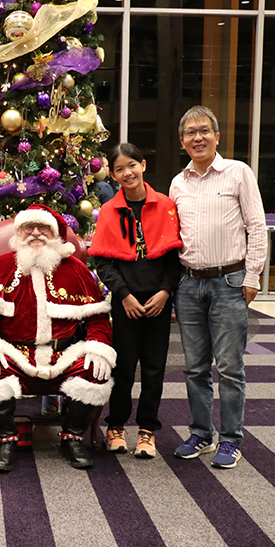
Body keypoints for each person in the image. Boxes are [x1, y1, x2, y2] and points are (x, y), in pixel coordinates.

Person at [0, 204, 116, 473]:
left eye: (43, 227)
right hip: (14, 353)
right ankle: (6, 441)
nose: (35, 233)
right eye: (28, 228)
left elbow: (98, 319)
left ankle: (72, 438)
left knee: (95, 370)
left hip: (64, 355)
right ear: (18, 234)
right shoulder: (0, 267)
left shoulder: (77, 270)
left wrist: (98, 348)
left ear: (56, 234)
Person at [169, 105, 267, 469]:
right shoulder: (177, 183)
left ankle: (230, 439)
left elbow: (257, 226)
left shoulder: (237, 172)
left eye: (204, 131)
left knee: (229, 367)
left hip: (229, 282)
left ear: (216, 136)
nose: (198, 137)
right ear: (183, 142)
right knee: (194, 367)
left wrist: (253, 276)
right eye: (191, 133)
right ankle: (200, 432)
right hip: (189, 283)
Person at [90, 143, 182, 459]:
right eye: (119, 169)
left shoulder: (166, 206)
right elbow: (104, 262)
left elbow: (175, 258)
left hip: (159, 300)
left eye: (132, 165)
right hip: (125, 301)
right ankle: (115, 426)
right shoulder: (108, 211)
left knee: (155, 369)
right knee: (124, 368)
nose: (127, 173)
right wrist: (124, 295)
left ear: (142, 164)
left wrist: (166, 292)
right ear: (113, 175)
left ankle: (147, 431)